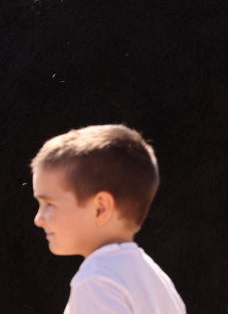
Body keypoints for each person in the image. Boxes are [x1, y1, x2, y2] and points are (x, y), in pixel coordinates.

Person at [31, 124, 186, 314]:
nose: (38, 219)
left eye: (49, 204)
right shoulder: (156, 280)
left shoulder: (97, 281)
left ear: (100, 209)